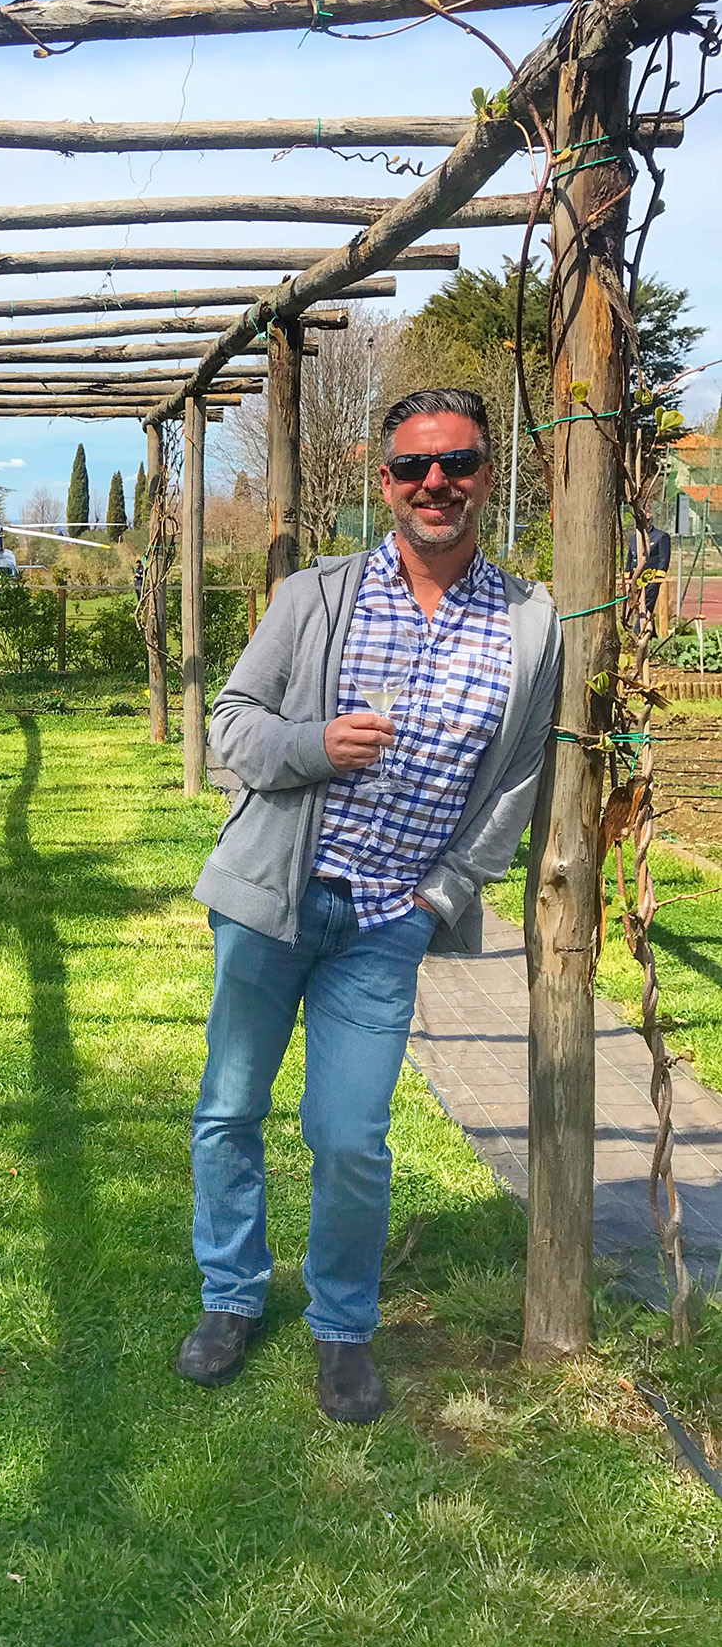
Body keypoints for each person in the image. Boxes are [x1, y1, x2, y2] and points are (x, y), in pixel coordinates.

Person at [175, 387, 560, 1423]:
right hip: (272, 899)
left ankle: (342, 1326)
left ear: (487, 474)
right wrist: (314, 745)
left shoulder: (529, 623)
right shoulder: (317, 594)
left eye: (458, 463)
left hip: (388, 922)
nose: (437, 483)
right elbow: (231, 722)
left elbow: (519, 779)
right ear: (383, 481)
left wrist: (443, 896)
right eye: (414, 467)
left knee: (349, 1135)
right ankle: (230, 1295)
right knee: (230, 1107)